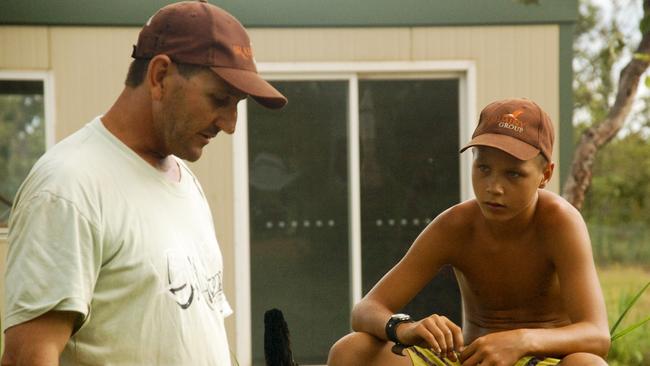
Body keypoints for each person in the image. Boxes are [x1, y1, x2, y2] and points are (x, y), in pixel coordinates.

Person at [1, 1, 286, 365]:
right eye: (219, 99)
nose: (230, 124)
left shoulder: (187, 185)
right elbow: (29, 357)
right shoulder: (69, 186)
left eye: (237, 105)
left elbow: (200, 332)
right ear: (159, 75)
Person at [327, 98, 610, 366]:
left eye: (513, 174)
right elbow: (365, 310)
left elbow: (597, 335)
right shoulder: (456, 225)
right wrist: (406, 328)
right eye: (483, 168)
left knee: (588, 363)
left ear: (545, 175)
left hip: (541, 359)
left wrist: (521, 341)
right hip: (469, 360)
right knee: (352, 351)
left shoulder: (560, 222)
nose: (493, 187)